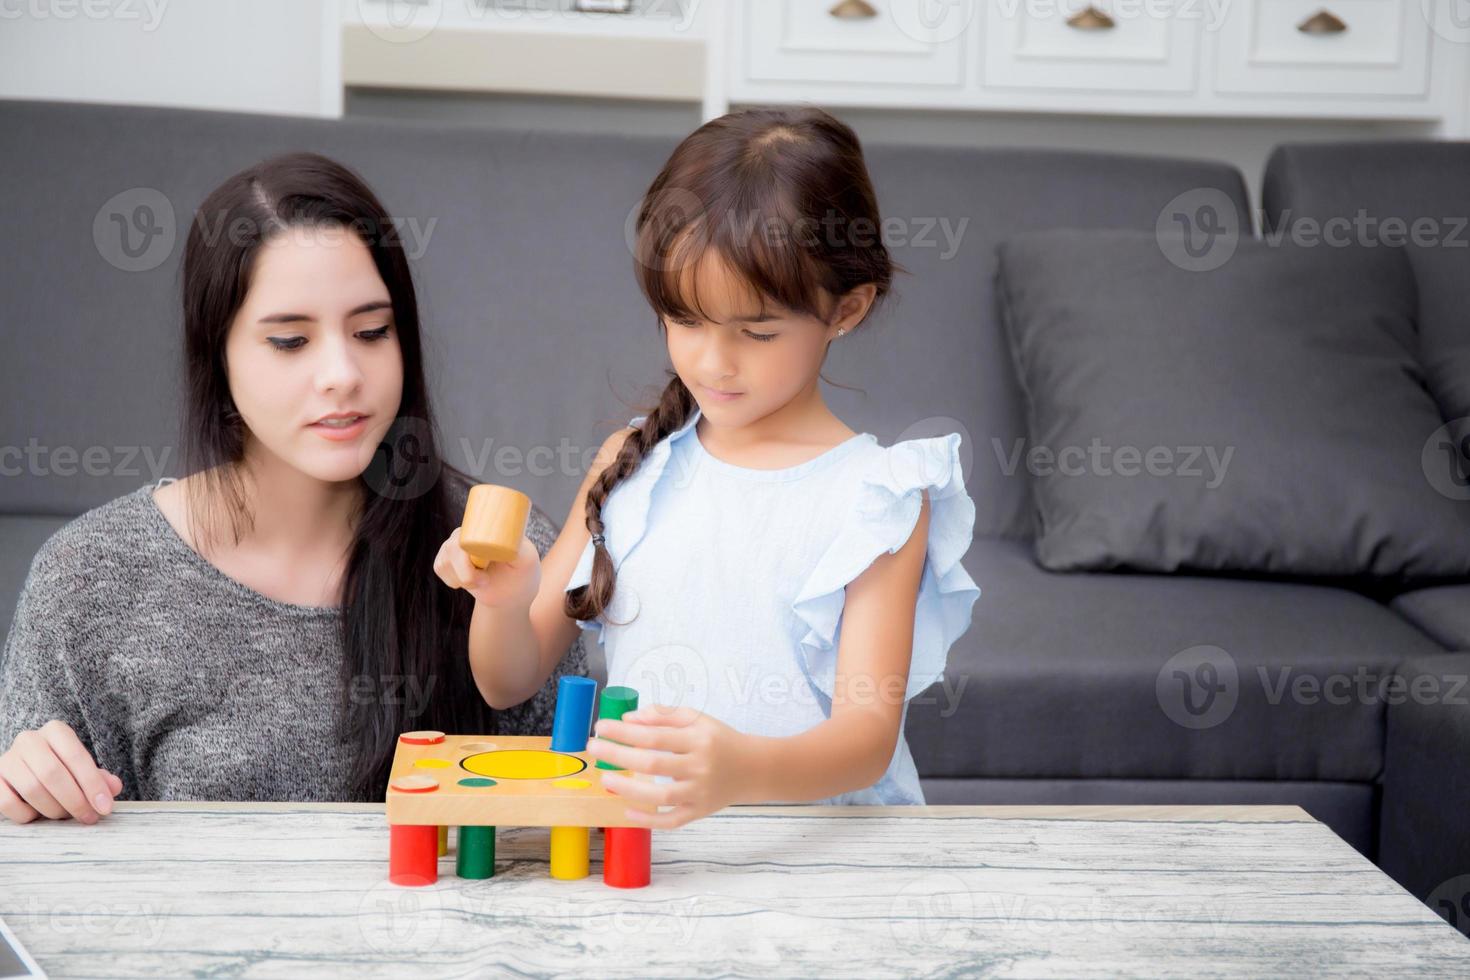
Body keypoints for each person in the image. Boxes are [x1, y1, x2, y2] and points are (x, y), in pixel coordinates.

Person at [0, 152, 585, 824]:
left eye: (372, 332)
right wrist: (24, 796)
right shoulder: (90, 582)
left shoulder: (508, 561)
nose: (341, 373)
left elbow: (578, 827)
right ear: (216, 356)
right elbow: (41, 872)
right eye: (288, 341)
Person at [434, 108, 979, 827]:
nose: (712, 362)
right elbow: (507, 681)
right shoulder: (630, 465)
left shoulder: (878, 499)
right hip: (652, 854)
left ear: (846, 309)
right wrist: (501, 601)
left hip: (823, 863)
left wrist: (739, 770)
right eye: (685, 321)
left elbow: (865, 742)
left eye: (756, 331)